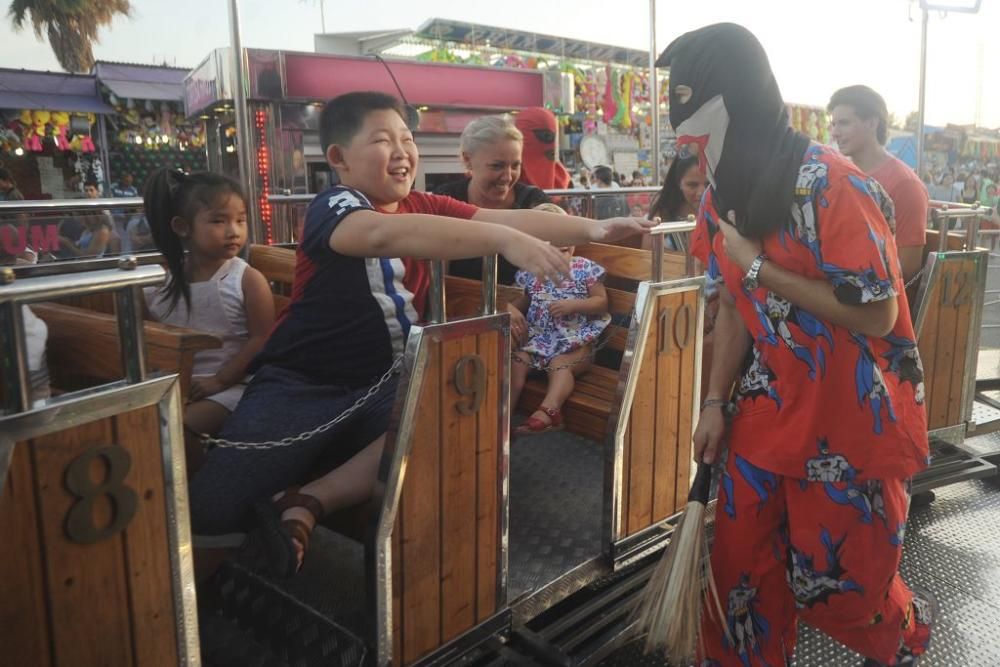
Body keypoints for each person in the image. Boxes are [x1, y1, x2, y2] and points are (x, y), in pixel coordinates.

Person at [187, 91, 652, 576]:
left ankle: (307, 502)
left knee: (459, 430)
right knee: (215, 514)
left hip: (386, 386)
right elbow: (377, 235)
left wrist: (598, 228)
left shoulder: (420, 202)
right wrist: (504, 240)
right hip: (303, 385)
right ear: (338, 159)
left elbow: (506, 217)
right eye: (383, 140)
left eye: (407, 139)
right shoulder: (337, 205)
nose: (403, 150)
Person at [658, 23, 934, 667]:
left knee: (846, 590)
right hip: (761, 419)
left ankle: (902, 637)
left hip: (850, 425)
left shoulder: (835, 185)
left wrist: (760, 267)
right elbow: (731, 302)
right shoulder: (718, 196)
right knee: (740, 587)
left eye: (696, 119)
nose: (690, 144)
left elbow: (876, 313)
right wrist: (714, 402)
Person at [142, 169, 275, 473]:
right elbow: (149, 337)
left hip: (235, 385)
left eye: (240, 220)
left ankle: (203, 496)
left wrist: (220, 379)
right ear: (182, 227)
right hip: (179, 385)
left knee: (177, 427)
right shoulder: (160, 282)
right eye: (219, 221)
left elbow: (262, 338)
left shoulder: (247, 279)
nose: (234, 231)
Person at [509, 203, 611, 435]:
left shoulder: (584, 268)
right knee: (517, 359)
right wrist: (509, 308)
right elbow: (518, 304)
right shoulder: (531, 273)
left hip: (576, 344)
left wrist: (574, 305)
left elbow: (601, 302)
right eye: (550, 237)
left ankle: (549, 411)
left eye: (565, 233)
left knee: (559, 365)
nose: (561, 241)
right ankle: (505, 413)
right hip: (538, 342)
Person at [829, 85, 929, 287]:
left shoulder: (905, 184)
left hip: (870, 304)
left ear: (872, 123)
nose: (835, 133)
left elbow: (907, 267)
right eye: (833, 124)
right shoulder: (834, 175)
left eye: (844, 123)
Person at [435, 115, 550, 285]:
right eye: (497, 166)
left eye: (515, 165)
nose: (507, 176)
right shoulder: (445, 199)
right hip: (461, 306)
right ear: (468, 160)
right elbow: (438, 280)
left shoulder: (533, 201)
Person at [643, 153, 708, 252]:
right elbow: (647, 254)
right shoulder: (664, 208)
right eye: (692, 185)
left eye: (708, 185)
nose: (702, 192)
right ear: (679, 183)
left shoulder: (725, 212)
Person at [513, 107, 571, 191]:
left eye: (550, 136)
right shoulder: (562, 179)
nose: (550, 143)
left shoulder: (508, 179)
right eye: (545, 136)